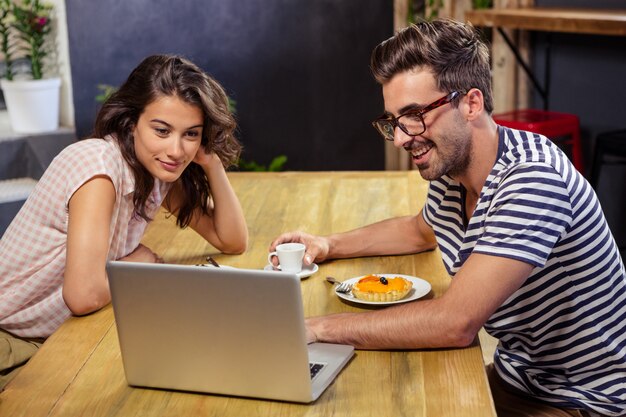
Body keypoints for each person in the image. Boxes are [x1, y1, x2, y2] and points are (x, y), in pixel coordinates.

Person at [269, 19, 626, 417]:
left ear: (471, 103)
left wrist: (317, 327)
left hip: (582, 402)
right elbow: (419, 230)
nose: (403, 137)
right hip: (518, 377)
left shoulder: (532, 180)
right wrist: (327, 244)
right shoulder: (456, 167)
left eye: (415, 114)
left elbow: (454, 323)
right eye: (394, 121)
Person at [0, 54, 248, 389]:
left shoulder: (158, 171)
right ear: (132, 123)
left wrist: (211, 162)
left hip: (54, 335)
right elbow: (83, 295)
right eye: (162, 130)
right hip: (10, 340)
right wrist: (137, 265)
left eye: (190, 134)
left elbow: (231, 240)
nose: (176, 149)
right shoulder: (98, 170)